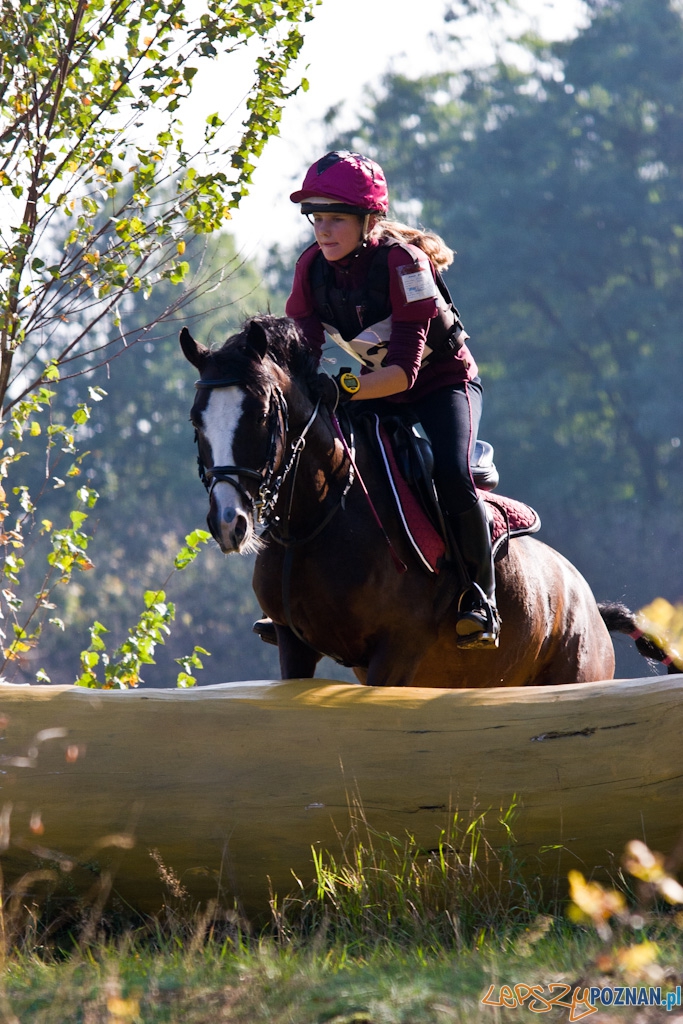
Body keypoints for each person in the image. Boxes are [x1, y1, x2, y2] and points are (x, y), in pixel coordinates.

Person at [259, 150, 499, 648]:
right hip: (376, 384)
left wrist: (341, 387)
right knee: (312, 454)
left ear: (369, 220)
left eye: (336, 220)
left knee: (450, 474)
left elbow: (405, 374)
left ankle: (481, 597)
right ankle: (293, 594)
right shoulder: (311, 268)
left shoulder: (405, 265)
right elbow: (303, 350)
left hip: (440, 385)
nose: (323, 231)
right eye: (316, 219)